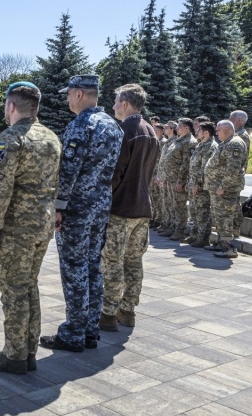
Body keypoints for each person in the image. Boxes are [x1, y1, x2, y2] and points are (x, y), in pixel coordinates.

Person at [0, 82, 61, 375]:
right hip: (42, 224)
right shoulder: (51, 138)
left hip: (16, 228)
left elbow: (0, 188)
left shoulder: (10, 138)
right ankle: (28, 352)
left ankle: (14, 356)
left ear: (11, 106)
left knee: (13, 291)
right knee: (29, 286)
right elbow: (56, 182)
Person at [40, 75, 122, 353]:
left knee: (74, 268)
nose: (66, 99)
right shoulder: (112, 125)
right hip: (100, 208)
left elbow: (68, 171)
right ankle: (89, 330)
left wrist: (59, 206)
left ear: (78, 94)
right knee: (93, 267)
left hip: (77, 209)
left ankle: (74, 333)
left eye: (68, 94)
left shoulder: (81, 125)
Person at [98, 85, 160, 332]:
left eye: (116, 101)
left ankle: (108, 314)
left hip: (121, 208)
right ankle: (128, 310)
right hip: (142, 207)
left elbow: (115, 172)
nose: (113, 106)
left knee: (112, 261)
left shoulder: (125, 130)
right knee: (134, 261)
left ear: (125, 104)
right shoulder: (150, 130)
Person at [203, 120, 247, 258]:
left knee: (225, 217)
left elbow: (233, 169)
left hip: (226, 190)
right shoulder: (226, 143)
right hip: (218, 189)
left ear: (227, 130)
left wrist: (223, 186)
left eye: (218, 130)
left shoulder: (235, 144)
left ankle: (229, 248)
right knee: (219, 216)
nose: (216, 133)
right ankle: (221, 244)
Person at [165, 118, 198, 241]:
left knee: (180, 206)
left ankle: (180, 230)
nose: (177, 128)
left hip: (178, 180)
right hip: (171, 179)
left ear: (187, 128)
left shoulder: (189, 142)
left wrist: (180, 181)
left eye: (179, 126)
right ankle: (173, 227)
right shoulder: (179, 140)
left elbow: (186, 163)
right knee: (173, 205)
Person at [186, 122, 218, 247]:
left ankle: (203, 238)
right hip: (194, 184)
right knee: (194, 211)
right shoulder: (201, 145)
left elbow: (204, 168)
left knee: (202, 213)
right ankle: (195, 236)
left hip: (201, 186)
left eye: (199, 130)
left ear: (206, 133)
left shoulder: (210, 146)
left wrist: (197, 184)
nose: (196, 132)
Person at [229, 110, 250, 236]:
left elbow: (237, 159)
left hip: (235, 175)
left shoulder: (242, 136)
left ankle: (235, 227)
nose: (229, 120)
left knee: (234, 202)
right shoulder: (235, 134)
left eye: (232, 118)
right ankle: (229, 227)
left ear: (240, 121)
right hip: (231, 174)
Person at [155, 121, 178, 235]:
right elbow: (162, 161)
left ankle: (172, 226)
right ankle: (166, 224)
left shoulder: (174, 142)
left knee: (172, 204)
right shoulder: (169, 142)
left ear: (172, 129)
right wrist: (160, 176)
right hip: (164, 177)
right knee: (166, 203)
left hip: (172, 178)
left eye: (167, 127)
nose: (164, 129)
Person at [148, 123, 166, 228]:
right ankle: (154, 216)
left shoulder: (163, 142)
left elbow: (161, 161)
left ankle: (159, 218)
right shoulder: (155, 141)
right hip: (152, 172)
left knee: (158, 198)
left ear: (158, 131)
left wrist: (158, 175)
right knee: (153, 197)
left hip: (157, 174)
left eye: (154, 130)